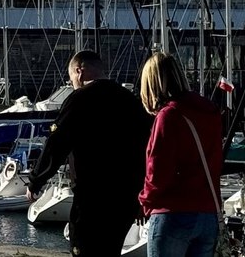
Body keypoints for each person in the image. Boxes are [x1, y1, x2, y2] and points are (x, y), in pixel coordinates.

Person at [27, 50, 152, 257]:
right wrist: (143, 194)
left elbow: (57, 143)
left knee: (84, 249)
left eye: (71, 79)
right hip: (126, 197)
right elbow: (147, 149)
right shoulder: (130, 100)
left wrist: (36, 180)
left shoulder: (79, 99)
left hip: (93, 196)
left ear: (79, 71)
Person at [137, 52, 222, 257]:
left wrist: (144, 201)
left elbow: (158, 170)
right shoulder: (209, 111)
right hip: (208, 212)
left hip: (173, 211)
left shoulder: (169, 115)